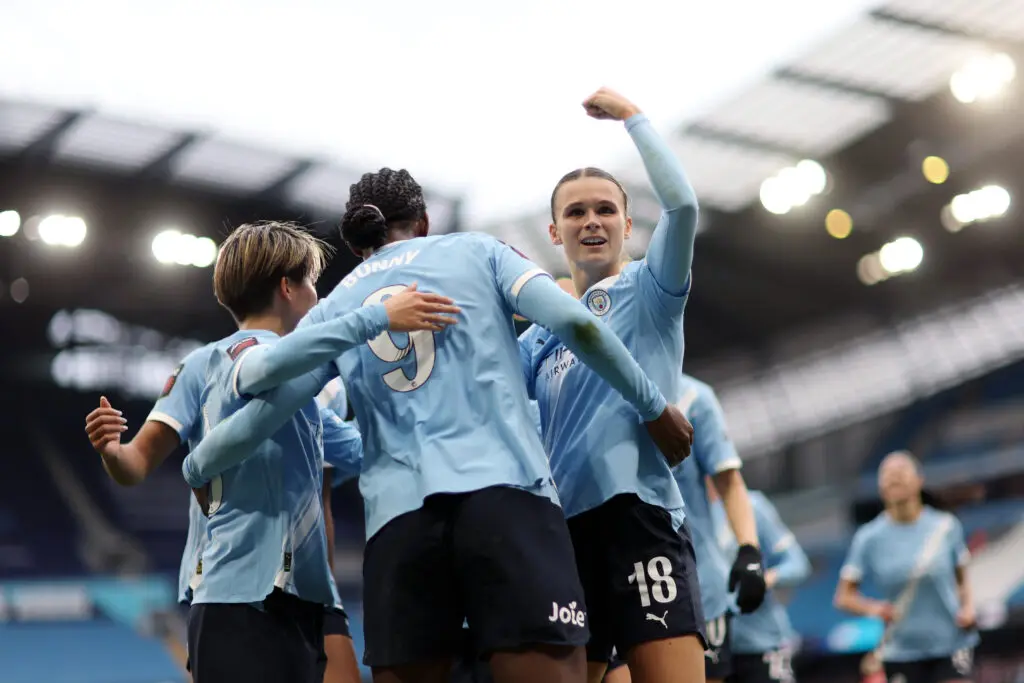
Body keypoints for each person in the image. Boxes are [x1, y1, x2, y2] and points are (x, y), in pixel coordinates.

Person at [180, 165, 695, 683]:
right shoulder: (477, 251)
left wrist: (198, 463)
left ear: (358, 243)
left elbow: (264, 417)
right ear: (423, 221)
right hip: (506, 502)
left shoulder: (335, 308)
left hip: (400, 527)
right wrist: (653, 405)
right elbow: (578, 323)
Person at [173, 220, 458, 683]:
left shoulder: (297, 396)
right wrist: (377, 317)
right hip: (238, 595)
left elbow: (363, 451)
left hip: (289, 598)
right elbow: (263, 368)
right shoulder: (243, 349)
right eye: (311, 282)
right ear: (287, 287)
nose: (318, 296)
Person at [520, 87, 705, 683]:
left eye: (604, 209)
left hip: (638, 518)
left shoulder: (652, 292)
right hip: (565, 536)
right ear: (555, 231)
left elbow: (683, 207)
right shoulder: (535, 338)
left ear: (628, 223)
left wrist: (633, 118)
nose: (591, 221)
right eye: (576, 212)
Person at [834, 451, 978, 683]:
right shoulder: (868, 538)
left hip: (950, 643)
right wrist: (875, 609)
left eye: (901, 471)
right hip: (901, 650)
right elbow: (843, 596)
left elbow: (962, 578)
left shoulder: (946, 527)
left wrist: (968, 608)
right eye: (887, 475)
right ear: (880, 487)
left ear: (919, 480)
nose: (894, 478)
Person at [673, 375, 766, 683]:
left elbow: (729, 480)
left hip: (699, 587)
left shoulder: (693, 397)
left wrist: (749, 550)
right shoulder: (590, 383)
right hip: (616, 579)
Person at [709, 484, 810, 683]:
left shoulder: (753, 506)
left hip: (762, 644)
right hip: (714, 649)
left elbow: (799, 564)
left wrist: (762, 579)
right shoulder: (688, 513)